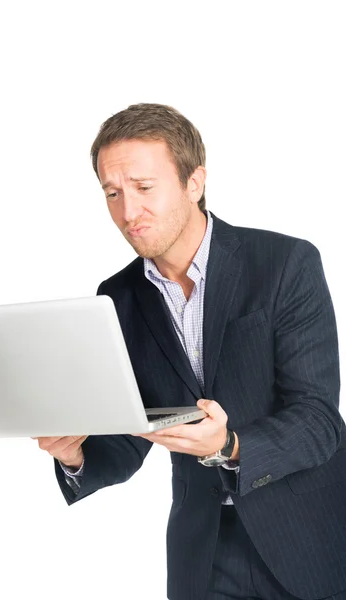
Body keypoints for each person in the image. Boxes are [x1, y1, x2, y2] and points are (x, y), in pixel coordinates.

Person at [34, 103, 346, 600]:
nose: (127, 212)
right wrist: (77, 455)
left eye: (143, 188)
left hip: (304, 538)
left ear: (194, 182)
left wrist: (231, 445)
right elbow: (136, 429)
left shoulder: (285, 263)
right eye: (112, 193)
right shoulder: (118, 297)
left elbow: (319, 421)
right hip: (203, 552)